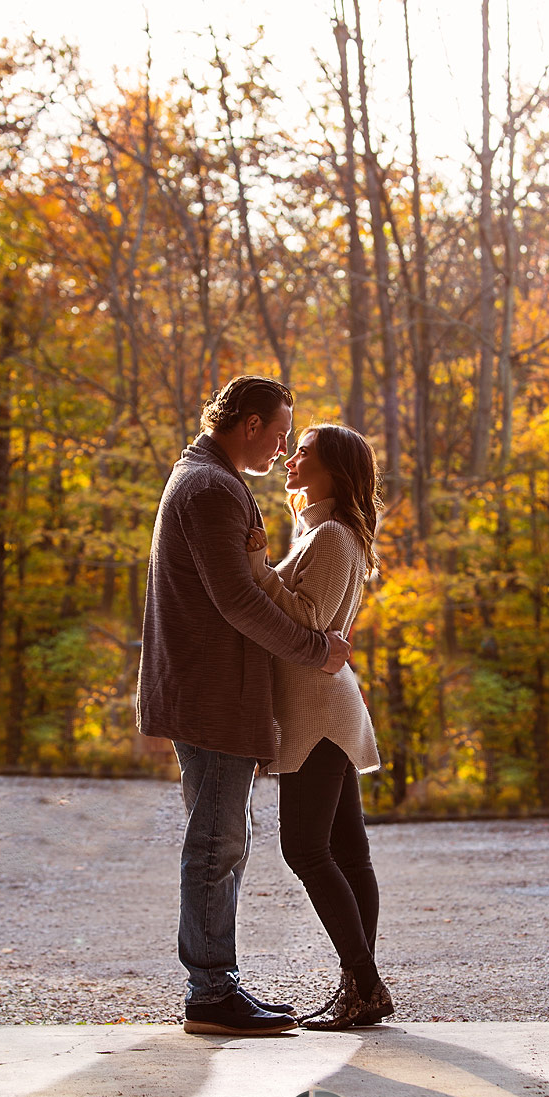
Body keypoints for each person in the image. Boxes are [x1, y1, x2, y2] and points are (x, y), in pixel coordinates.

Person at [136, 376, 351, 1037]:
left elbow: (238, 590)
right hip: (212, 692)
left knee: (223, 839)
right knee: (216, 843)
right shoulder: (211, 487)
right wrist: (315, 648)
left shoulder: (205, 478)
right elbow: (236, 601)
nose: (283, 446)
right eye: (280, 431)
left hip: (210, 688)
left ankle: (216, 986)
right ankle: (210, 993)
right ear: (249, 423)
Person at [245, 422, 394, 1030]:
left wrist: (255, 565)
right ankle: (360, 987)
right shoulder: (324, 530)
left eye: (303, 451)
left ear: (332, 466)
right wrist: (293, 527)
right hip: (321, 711)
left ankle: (365, 983)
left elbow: (309, 619)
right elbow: (306, 600)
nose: (290, 457)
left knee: (305, 848)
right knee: (348, 852)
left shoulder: (333, 536)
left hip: (319, 715)